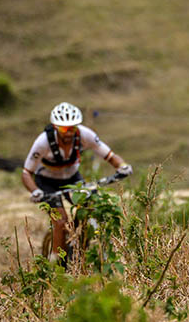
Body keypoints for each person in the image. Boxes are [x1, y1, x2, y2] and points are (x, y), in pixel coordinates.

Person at [21, 102, 133, 262]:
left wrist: (122, 166)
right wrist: (35, 191)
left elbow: (109, 155)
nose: (68, 133)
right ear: (55, 127)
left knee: (90, 207)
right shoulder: (43, 142)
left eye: (72, 128)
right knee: (60, 221)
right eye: (64, 129)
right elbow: (26, 173)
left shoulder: (85, 135)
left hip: (73, 179)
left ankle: (80, 248)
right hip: (46, 182)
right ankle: (55, 264)